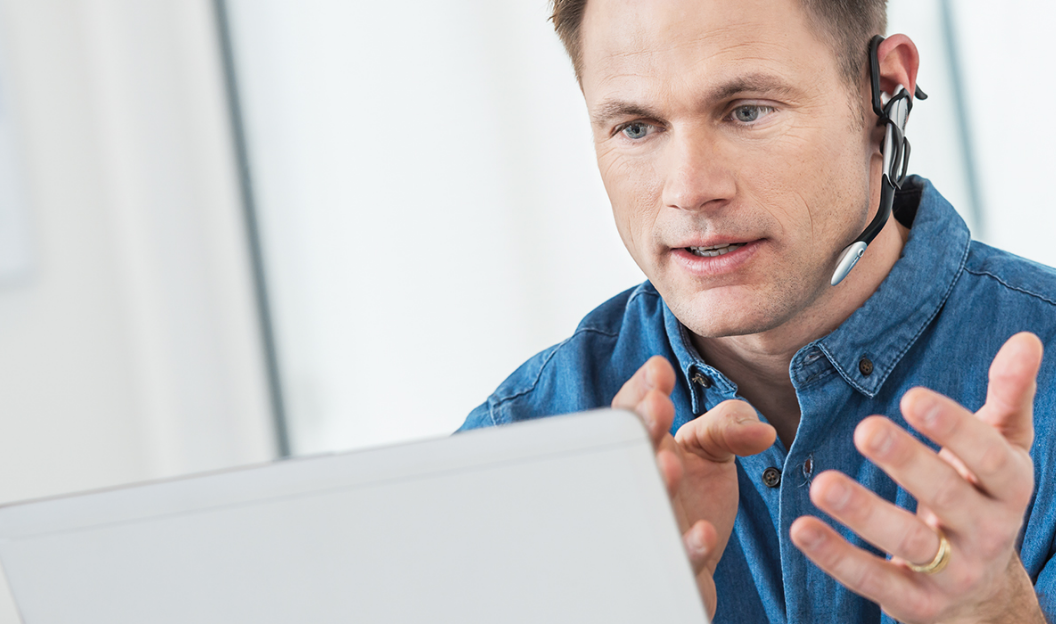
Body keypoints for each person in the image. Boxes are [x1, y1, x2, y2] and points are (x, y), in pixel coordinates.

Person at [457, 0, 1055, 621]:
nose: (690, 190)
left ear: (886, 93)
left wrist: (998, 614)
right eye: (636, 127)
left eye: (747, 111)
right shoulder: (513, 451)